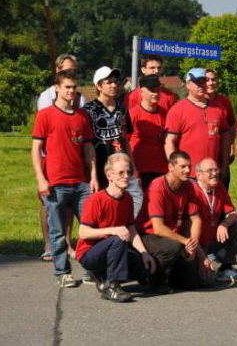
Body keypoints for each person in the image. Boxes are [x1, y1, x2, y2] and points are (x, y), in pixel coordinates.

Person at [31, 70, 98, 287]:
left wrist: (94, 176)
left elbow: (88, 147)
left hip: (80, 182)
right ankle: (63, 272)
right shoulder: (46, 115)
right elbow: (36, 149)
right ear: (57, 88)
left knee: (90, 229)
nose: (71, 91)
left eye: (74, 87)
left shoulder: (82, 116)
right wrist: (41, 179)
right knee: (58, 230)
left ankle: (91, 269)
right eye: (67, 87)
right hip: (55, 182)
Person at [77, 153, 157, 302]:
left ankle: (104, 276)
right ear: (109, 176)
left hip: (114, 249)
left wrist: (144, 253)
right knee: (119, 238)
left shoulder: (127, 198)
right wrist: (112, 230)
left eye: (129, 172)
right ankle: (112, 287)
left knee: (145, 268)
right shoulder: (95, 200)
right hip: (89, 254)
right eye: (121, 173)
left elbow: (131, 229)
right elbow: (83, 233)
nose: (126, 176)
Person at [36, 53, 84, 262]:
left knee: (72, 203)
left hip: (75, 159)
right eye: (67, 70)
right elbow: (43, 135)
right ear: (57, 71)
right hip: (51, 159)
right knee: (50, 205)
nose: (71, 74)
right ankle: (49, 244)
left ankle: (68, 242)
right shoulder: (46, 97)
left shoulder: (80, 97)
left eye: (74, 70)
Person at [136, 151, 203, 290]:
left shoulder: (189, 186)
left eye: (189, 166)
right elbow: (158, 228)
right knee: (173, 247)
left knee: (192, 283)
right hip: (148, 235)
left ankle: (169, 275)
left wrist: (193, 246)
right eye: (183, 166)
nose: (188, 170)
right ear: (170, 167)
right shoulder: (157, 187)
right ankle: (154, 281)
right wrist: (185, 241)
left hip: (172, 235)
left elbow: (196, 219)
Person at [191, 158, 237, 285]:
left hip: (212, 240)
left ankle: (226, 267)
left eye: (216, 169)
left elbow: (233, 213)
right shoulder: (192, 191)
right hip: (196, 244)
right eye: (210, 171)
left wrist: (224, 224)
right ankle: (208, 264)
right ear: (199, 175)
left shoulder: (219, 187)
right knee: (208, 281)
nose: (215, 173)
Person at [164, 67, 230, 174]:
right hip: (188, 173)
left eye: (203, 81)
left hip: (213, 172)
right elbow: (169, 141)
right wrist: (175, 168)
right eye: (197, 82)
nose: (201, 85)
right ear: (187, 85)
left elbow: (225, 139)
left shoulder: (218, 108)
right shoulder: (177, 110)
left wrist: (225, 166)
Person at [128, 74, 169, 192]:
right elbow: (125, 142)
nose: (155, 93)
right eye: (151, 90)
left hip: (161, 169)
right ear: (141, 92)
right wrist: (132, 170)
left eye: (158, 89)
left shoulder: (165, 113)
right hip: (140, 170)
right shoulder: (133, 114)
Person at [201, 68, 236, 186]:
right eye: (207, 80)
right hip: (203, 152)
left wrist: (231, 145)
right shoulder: (197, 101)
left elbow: (231, 125)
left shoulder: (224, 101)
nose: (211, 83)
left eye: (213, 79)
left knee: (222, 183)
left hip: (221, 152)